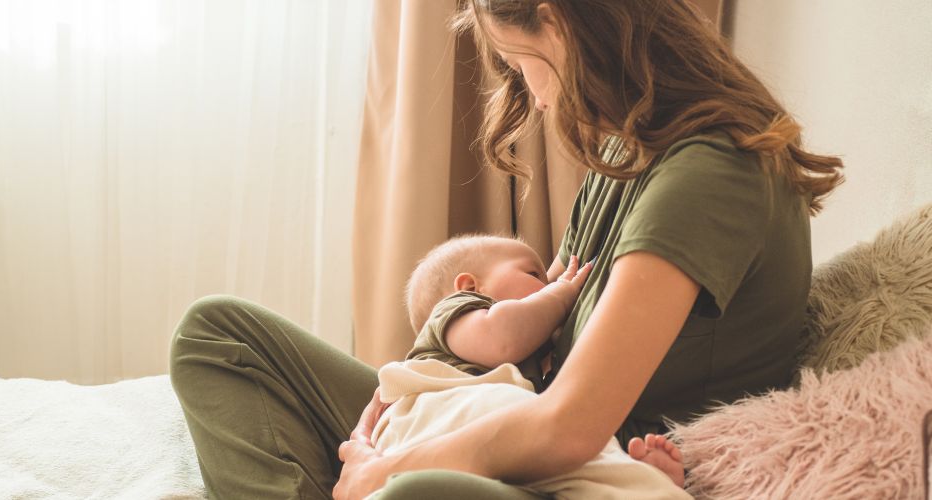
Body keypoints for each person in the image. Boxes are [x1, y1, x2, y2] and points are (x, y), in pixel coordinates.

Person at [169, 1, 844, 499]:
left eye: (524, 70)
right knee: (217, 332)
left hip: (587, 472)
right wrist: (412, 401)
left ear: (559, 25)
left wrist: (392, 464)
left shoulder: (712, 174)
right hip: (520, 421)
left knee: (417, 492)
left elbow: (570, 428)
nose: (539, 103)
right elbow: (535, 343)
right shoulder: (625, 153)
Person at [364, 233, 689, 499]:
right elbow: (502, 337)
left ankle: (634, 482)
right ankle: (640, 486)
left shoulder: (526, 367)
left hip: (470, 453)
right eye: (534, 275)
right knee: (562, 441)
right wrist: (560, 297)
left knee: (555, 460)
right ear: (469, 287)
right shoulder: (456, 314)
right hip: (435, 417)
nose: (547, 283)